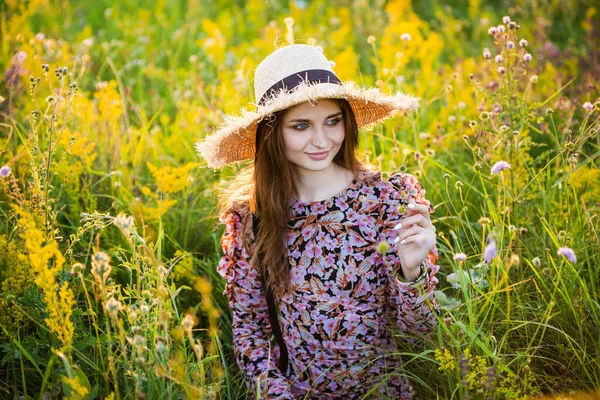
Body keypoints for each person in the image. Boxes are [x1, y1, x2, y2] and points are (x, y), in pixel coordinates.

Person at [196, 44, 440, 399]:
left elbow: (422, 337)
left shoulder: (387, 201)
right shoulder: (254, 216)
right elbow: (251, 331)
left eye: (332, 120)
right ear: (272, 133)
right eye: (300, 126)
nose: (322, 140)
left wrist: (412, 273)